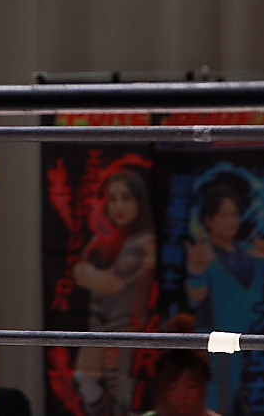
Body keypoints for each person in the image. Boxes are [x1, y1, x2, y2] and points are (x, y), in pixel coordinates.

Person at [184, 179, 264, 415]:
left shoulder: (249, 251)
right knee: (220, 401)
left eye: (234, 215)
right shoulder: (204, 254)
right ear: (208, 220)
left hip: (254, 341)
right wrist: (196, 271)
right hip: (220, 343)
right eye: (224, 215)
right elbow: (195, 297)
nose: (231, 221)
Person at [72, 169, 156, 416]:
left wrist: (87, 272)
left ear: (139, 202)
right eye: (113, 198)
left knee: (125, 396)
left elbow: (110, 283)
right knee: (85, 379)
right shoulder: (102, 240)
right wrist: (86, 272)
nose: (118, 205)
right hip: (100, 327)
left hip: (129, 330)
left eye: (126, 198)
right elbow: (80, 273)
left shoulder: (144, 242)